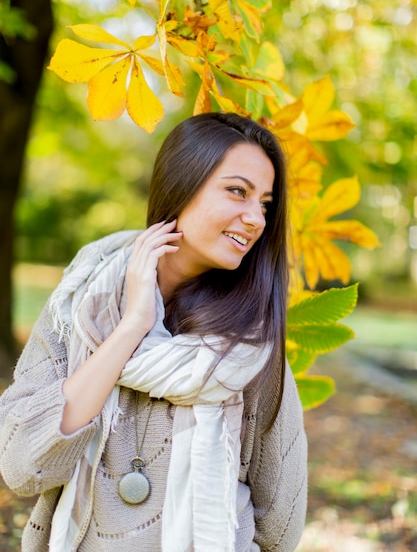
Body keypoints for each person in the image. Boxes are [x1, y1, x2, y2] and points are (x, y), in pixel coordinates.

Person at [0, 112, 307, 552]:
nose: (255, 218)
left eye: (264, 203)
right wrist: (131, 329)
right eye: (237, 191)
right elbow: (25, 465)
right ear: (181, 185)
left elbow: (279, 525)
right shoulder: (81, 304)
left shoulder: (248, 346)